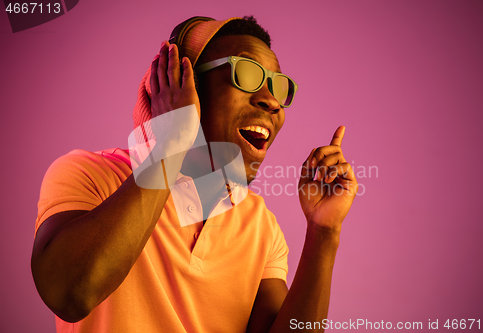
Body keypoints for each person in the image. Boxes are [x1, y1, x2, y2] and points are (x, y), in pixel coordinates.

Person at [31, 16, 358, 333]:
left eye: (277, 85)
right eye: (245, 74)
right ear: (183, 85)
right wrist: (171, 138)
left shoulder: (261, 226)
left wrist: (323, 232)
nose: (272, 101)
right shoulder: (91, 174)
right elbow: (70, 294)